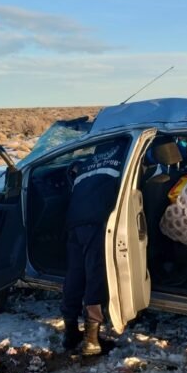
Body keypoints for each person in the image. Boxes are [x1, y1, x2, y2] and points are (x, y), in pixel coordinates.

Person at [60, 138, 126, 355]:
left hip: (74, 221)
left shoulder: (87, 162)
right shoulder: (122, 157)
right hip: (97, 222)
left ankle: (70, 332)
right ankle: (91, 339)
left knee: (75, 274)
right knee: (95, 275)